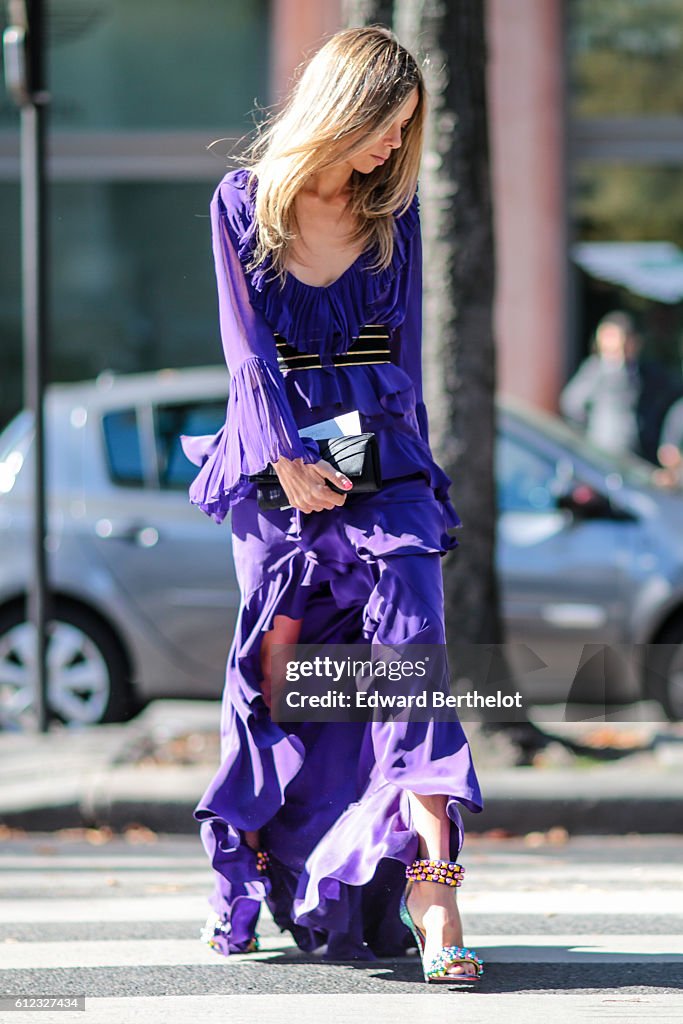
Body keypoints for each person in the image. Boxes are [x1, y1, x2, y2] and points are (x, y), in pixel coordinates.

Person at [180, 26, 484, 983]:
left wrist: (416, 480)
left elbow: (403, 365)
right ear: (340, 109)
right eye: (384, 128)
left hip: (381, 473)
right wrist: (283, 460)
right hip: (273, 482)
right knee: (286, 693)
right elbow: (245, 354)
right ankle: (270, 878)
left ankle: (435, 894)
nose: (394, 150)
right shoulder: (240, 206)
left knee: (409, 667)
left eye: (405, 132)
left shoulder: (393, 219)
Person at [560, 310, 681, 463]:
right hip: (602, 453)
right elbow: (572, 404)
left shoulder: (646, 374)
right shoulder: (595, 370)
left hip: (635, 458)